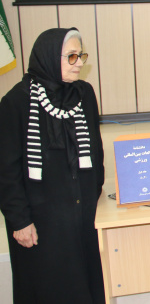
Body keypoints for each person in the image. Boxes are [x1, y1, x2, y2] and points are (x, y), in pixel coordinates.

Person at [0, 28, 105, 303]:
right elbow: (6, 171)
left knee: (87, 286)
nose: (79, 63)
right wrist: (19, 220)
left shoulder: (84, 93)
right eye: (71, 56)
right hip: (40, 223)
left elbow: (96, 150)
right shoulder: (16, 102)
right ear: (48, 57)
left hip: (82, 215)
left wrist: (95, 198)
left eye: (80, 55)